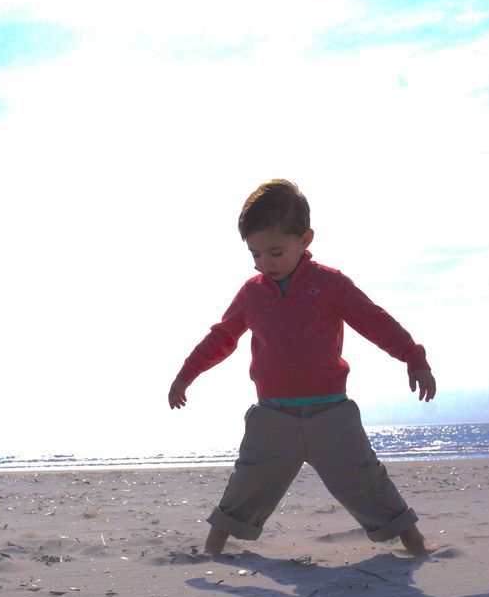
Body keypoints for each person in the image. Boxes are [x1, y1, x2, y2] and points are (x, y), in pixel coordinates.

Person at [168, 179, 443, 557]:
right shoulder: (252, 293)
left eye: (276, 252)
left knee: (365, 480)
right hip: (273, 416)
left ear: (306, 240)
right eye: (255, 254)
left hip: (330, 413)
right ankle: (212, 549)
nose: (265, 263)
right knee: (248, 482)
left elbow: (374, 321)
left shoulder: (330, 284)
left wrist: (414, 356)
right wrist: (187, 374)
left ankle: (415, 543)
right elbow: (222, 337)